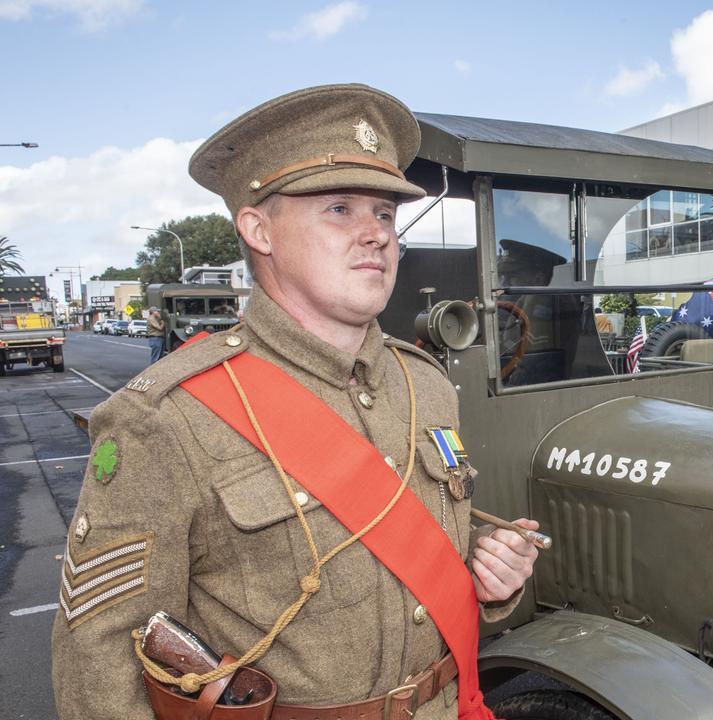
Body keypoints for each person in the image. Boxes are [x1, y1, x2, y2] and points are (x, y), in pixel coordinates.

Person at [52, 84, 539, 720]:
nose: (376, 235)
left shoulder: (423, 383)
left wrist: (488, 574)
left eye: (386, 214)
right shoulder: (165, 417)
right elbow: (102, 659)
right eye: (339, 208)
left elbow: (409, 549)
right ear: (258, 229)